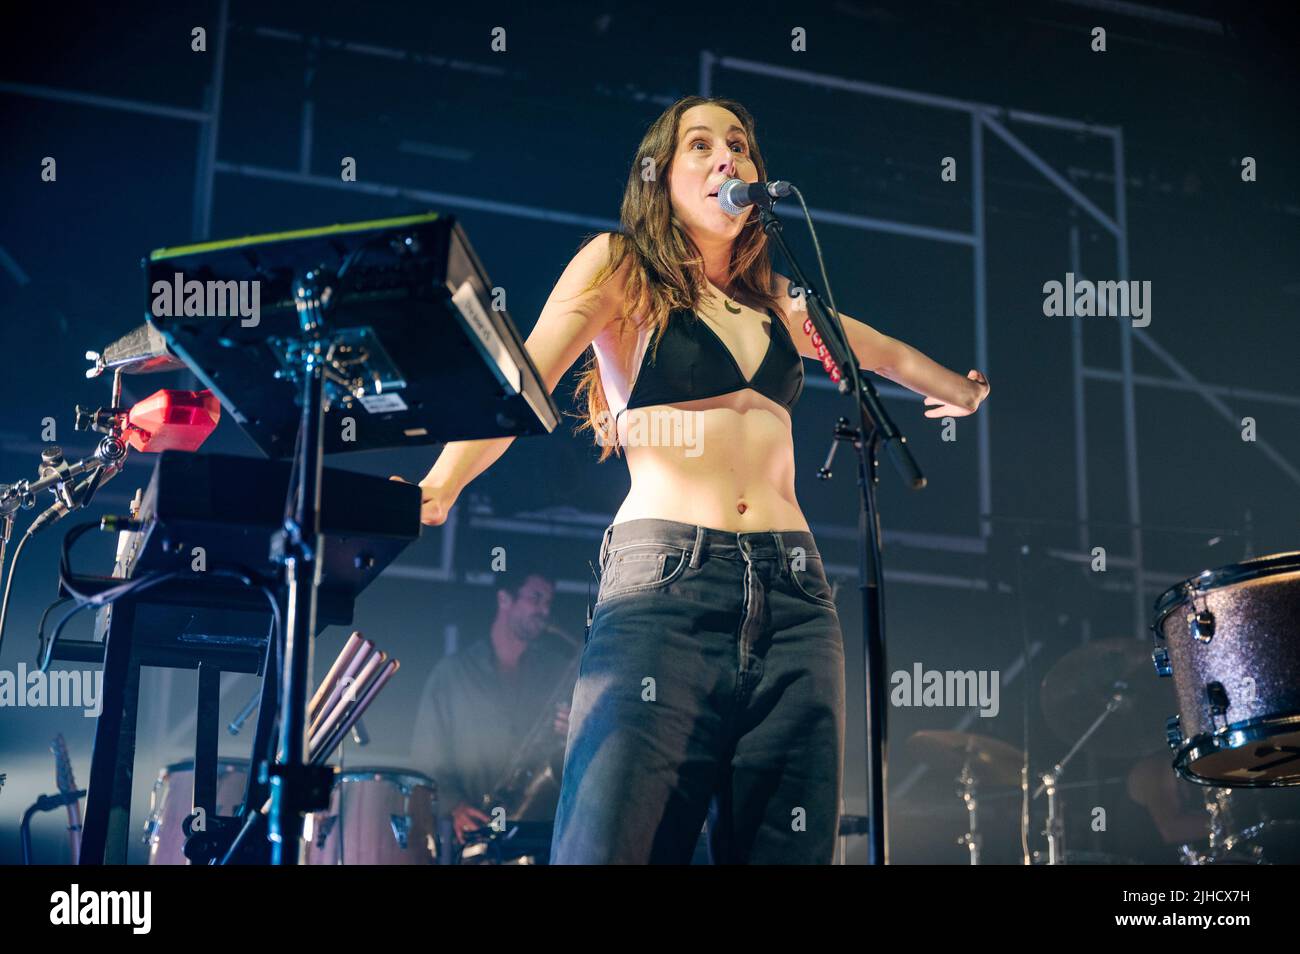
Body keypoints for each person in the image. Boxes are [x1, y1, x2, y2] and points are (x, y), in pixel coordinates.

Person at [394, 95, 989, 864]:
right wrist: (441, 483)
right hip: (666, 587)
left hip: (797, 598)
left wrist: (962, 388)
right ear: (661, 179)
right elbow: (521, 383)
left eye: (737, 145)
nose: (725, 160)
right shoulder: (618, 268)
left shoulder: (776, 300)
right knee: (614, 843)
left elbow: (879, 353)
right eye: (700, 147)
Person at [411, 569, 574, 846]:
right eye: (536, 598)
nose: (544, 610)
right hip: (472, 834)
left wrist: (574, 731)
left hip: (536, 834)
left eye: (548, 602)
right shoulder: (453, 673)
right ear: (503, 599)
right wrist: (455, 807)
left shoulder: (556, 671)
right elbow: (425, 759)